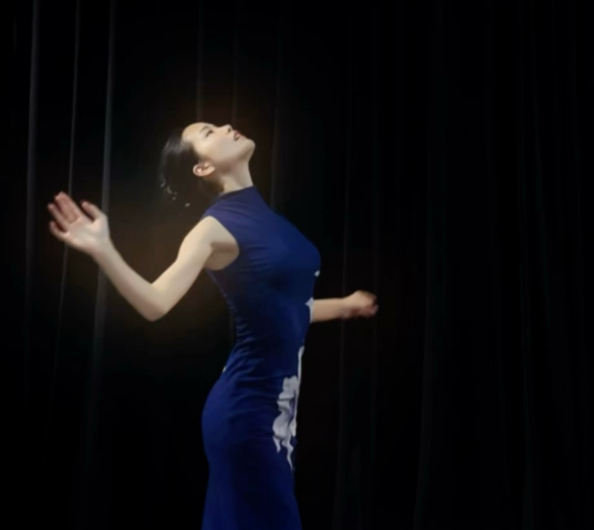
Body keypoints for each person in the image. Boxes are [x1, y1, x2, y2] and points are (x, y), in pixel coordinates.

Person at [47, 122, 378, 529]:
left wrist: (344, 306)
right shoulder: (211, 229)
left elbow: (284, 311)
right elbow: (155, 302)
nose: (225, 126)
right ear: (202, 168)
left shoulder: (268, 219)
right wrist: (104, 249)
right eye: (208, 132)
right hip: (247, 412)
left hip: (275, 414)